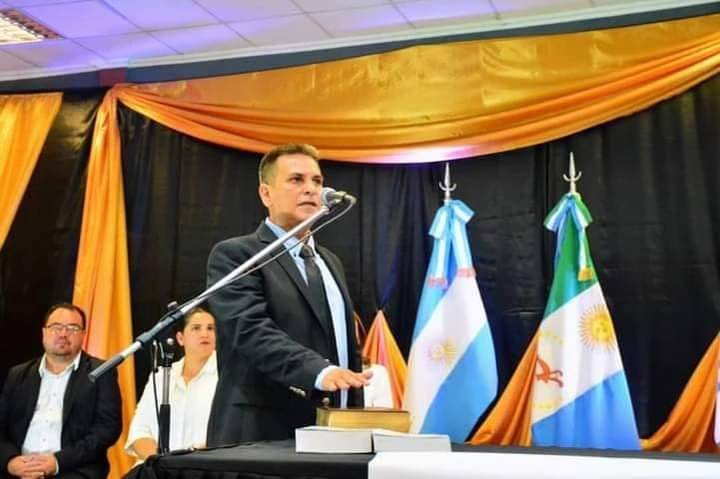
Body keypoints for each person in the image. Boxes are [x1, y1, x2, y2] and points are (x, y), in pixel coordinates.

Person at [205, 143, 370, 445]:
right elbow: (251, 330)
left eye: (317, 181)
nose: (311, 189)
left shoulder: (330, 261)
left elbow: (346, 346)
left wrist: (353, 411)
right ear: (265, 194)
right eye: (296, 180)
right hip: (262, 433)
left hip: (335, 431)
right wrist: (318, 372)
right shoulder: (237, 254)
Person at [0, 303, 122, 479]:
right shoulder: (18, 374)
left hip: (72, 469)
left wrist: (57, 462)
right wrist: (10, 461)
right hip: (18, 469)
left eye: (72, 328)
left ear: (83, 334)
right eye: (56, 327)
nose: (63, 334)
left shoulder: (101, 372)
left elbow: (107, 429)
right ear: (44, 332)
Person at [125, 307, 217, 462]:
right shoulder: (161, 376)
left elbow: (228, 434)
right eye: (196, 328)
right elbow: (139, 431)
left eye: (210, 328)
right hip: (157, 469)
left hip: (203, 467)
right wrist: (161, 464)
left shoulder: (225, 376)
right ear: (180, 338)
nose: (205, 334)